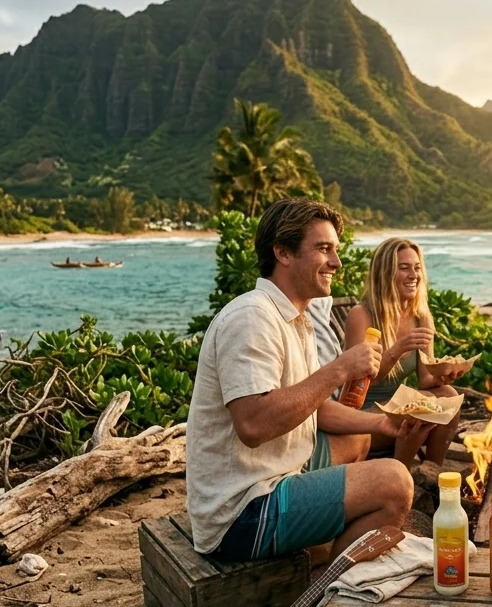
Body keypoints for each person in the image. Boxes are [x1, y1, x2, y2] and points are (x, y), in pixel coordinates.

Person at [185, 198, 428, 564]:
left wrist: (383, 423)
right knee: (394, 482)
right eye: (323, 249)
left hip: (279, 471)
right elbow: (253, 425)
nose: (337, 262)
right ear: (283, 252)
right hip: (241, 512)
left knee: (358, 438)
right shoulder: (252, 318)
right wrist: (339, 369)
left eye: (335, 250)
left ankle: (323, 550)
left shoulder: (295, 318)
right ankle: (330, 583)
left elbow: (317, 407)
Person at [343, 238, 465, 467]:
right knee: (417, 413)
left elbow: (426, 380)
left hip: (398, 408)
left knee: (449, 395)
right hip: (363, 416)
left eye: (417, 268)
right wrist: (396, 350)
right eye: (404, 268)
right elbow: (358, 383)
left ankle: (432, 471)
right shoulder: (362, 315)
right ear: (385, 274)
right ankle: (400, 472)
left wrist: (443, 375)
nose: (413, 275)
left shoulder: (421, 317)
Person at [305, 295, 371, 467]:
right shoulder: (361, 314)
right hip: (290, 452)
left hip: (327, 412)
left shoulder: (311, 314)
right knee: (395, 476)